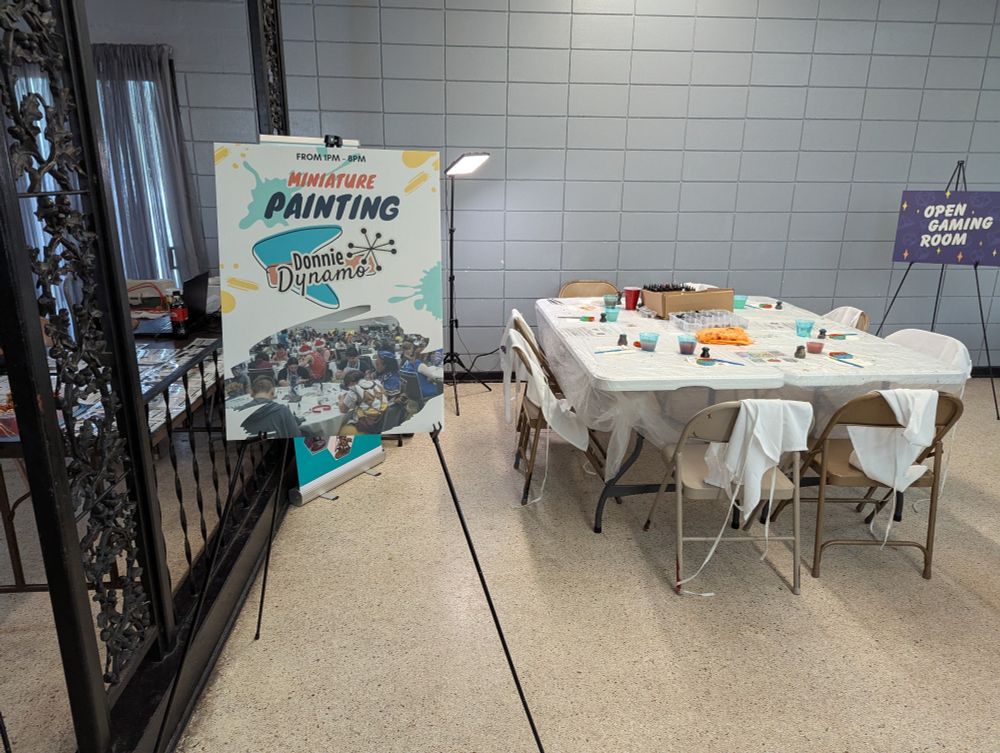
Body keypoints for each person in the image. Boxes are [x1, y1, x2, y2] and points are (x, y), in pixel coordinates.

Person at [237, 376, 303, 437]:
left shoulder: (236, 413)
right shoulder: (282, 411)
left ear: (251, 392)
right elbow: (297, 436)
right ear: (273, 392)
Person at [338, 370, 389, 434]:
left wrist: (341, 398)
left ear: (351, 383)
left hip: (368, 425)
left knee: (342, 430)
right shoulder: (378, 383)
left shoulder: (354, 389)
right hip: (384, 421)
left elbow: (343, 410)